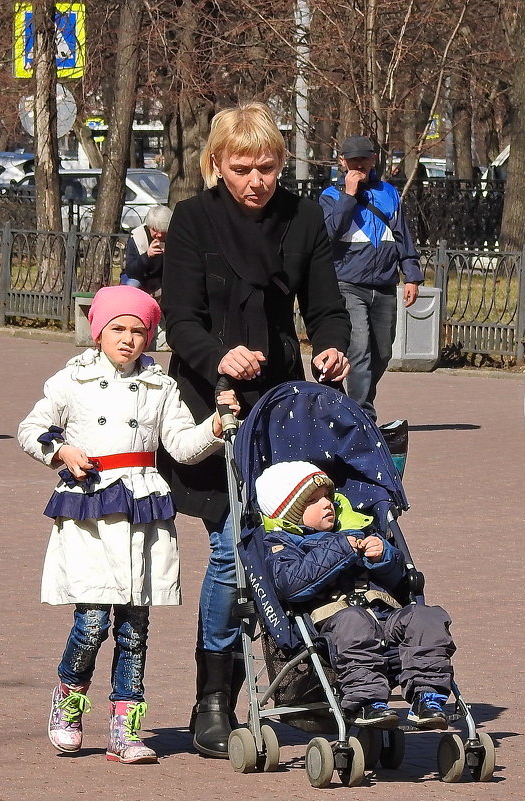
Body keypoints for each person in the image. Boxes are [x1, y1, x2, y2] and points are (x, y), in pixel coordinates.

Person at [160, 101, 351, 758]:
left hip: (281, 402)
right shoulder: (193, 220)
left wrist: (330, 347)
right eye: (242, 167)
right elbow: (177, 318)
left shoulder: (301, 218)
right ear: (217, 164)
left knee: (291, 540)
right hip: (212, 399)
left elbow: (325, 305)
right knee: (230, 551)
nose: (256, 180)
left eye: (267, 166)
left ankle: (301, 678)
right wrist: (220, 357)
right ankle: (215, 695)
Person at [17, 285, 239, 764]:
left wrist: (216, 429)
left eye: (139, 331)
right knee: (93, 621)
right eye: (117, 329)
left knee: (135, 626)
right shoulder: (70, 380)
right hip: (92, 507)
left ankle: (125, 726)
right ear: (98, 332)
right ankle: (70, 698)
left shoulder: (161, 386)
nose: (128, 339)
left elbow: (180, 445)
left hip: (142, 508)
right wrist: (60, 450)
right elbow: (31, 428)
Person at [255, 461, 456, 729]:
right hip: (335, 627)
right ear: (291, 514)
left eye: (328, 495)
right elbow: (292, 584)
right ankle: (368, 702)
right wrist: (341, 549)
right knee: (354, 621)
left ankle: (428, 697)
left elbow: (400, 581)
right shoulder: (283, 545)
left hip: (386, 618)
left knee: (425, 617)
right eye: (314, 501)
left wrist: (384, 556)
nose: (327, 503)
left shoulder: (359, 529)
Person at [319, 136, 424, 422]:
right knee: (359, 349)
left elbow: (402, 235)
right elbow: (329, 232)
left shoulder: (389, 193)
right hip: (348, 284)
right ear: (342, 162)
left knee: (382, 353)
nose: (359, 164)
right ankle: (362, 416)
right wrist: (349, 196)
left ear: (373, 160)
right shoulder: (330, 196)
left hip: (386, 286)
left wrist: (411, 275)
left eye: (364, 159)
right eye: (353, 160)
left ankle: (352, 402)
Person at [121, 204, 172, 296]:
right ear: (149, 226)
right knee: (132, 286)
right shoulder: (137, 237)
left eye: (163, 231)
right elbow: (130, 271)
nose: (159, 235)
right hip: (140, 278)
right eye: (155, 230)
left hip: (164, 279)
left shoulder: (174, 236)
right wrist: (146, 256)